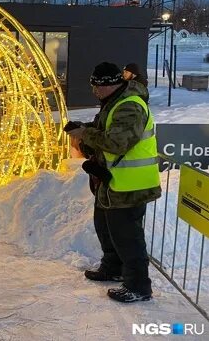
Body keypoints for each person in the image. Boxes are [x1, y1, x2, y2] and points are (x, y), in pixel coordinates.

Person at [65, 62, 161, 303]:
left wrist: (85, 135)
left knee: (128, 237)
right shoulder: (114, 102)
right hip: (113, 182)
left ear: (109, 84)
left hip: (131, 186)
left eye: (96, 86)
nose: (94, 91)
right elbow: (104, 132)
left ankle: (138, 286)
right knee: (107, 229)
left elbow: (117, 143)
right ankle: (113, 267)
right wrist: (84, 129)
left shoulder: (129, 106)